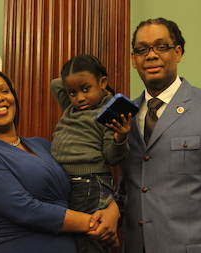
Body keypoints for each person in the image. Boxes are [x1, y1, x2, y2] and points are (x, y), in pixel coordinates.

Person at [117, 18, 201, 253]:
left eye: (161, 47)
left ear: (178, 52)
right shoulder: (125, 116)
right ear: (133, 59)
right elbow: (126, 192)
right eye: (142, 50)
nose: (151, 55)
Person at [0, 69, 120, 253]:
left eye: (4, 91)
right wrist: (97, 225)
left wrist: (112, 210)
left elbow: (85, 180)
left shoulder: (42, 145)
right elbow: (26, 211)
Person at [50, 54, 132, 253]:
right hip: (68, 182)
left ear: (103, 82)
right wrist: (78, 79)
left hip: (89, 184)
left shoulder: (108, 110)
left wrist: (120, 139)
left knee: (88, 240)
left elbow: (112, 158)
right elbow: (56, 84)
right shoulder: (71, 107)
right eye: (72, 92)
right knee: (75, 240)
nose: (79, 98)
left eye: (86, 89)